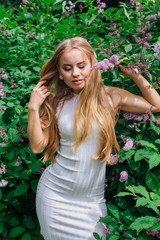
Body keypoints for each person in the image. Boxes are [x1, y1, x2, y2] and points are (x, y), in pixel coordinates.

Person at [27, 37, 160, 240]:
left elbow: (156, 105)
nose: (76, 73)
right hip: (55, 199)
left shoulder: (111, 97)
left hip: (91, 203)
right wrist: (33, 107)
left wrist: (136, 75)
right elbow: (37, 147)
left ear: (92, 64)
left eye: (81, 66)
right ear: (60, 72)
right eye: (68, 68)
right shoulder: (56, 103)